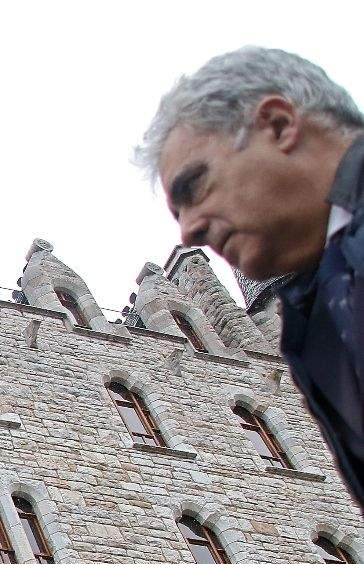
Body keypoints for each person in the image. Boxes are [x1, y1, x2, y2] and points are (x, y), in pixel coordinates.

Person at [138, 47, 364, 507]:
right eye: (178, 213)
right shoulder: (312, 318)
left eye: (195, 186)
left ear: (278, 125)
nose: (189, 231)